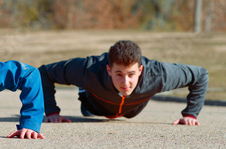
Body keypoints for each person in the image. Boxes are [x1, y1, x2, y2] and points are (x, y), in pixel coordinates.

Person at [38, 40, 209, 125]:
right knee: (89, 102)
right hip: (95, 104)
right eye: (119, 74)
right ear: (108, 70)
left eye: (131, 74)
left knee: (131, 101)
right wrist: (52, 111)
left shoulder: (158, 74)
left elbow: (200, 75)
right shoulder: (88, 69)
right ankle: (84, 91)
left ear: (140, 70)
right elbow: (44, 72)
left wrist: (190, 114)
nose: (125, 82)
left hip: (132, 109)